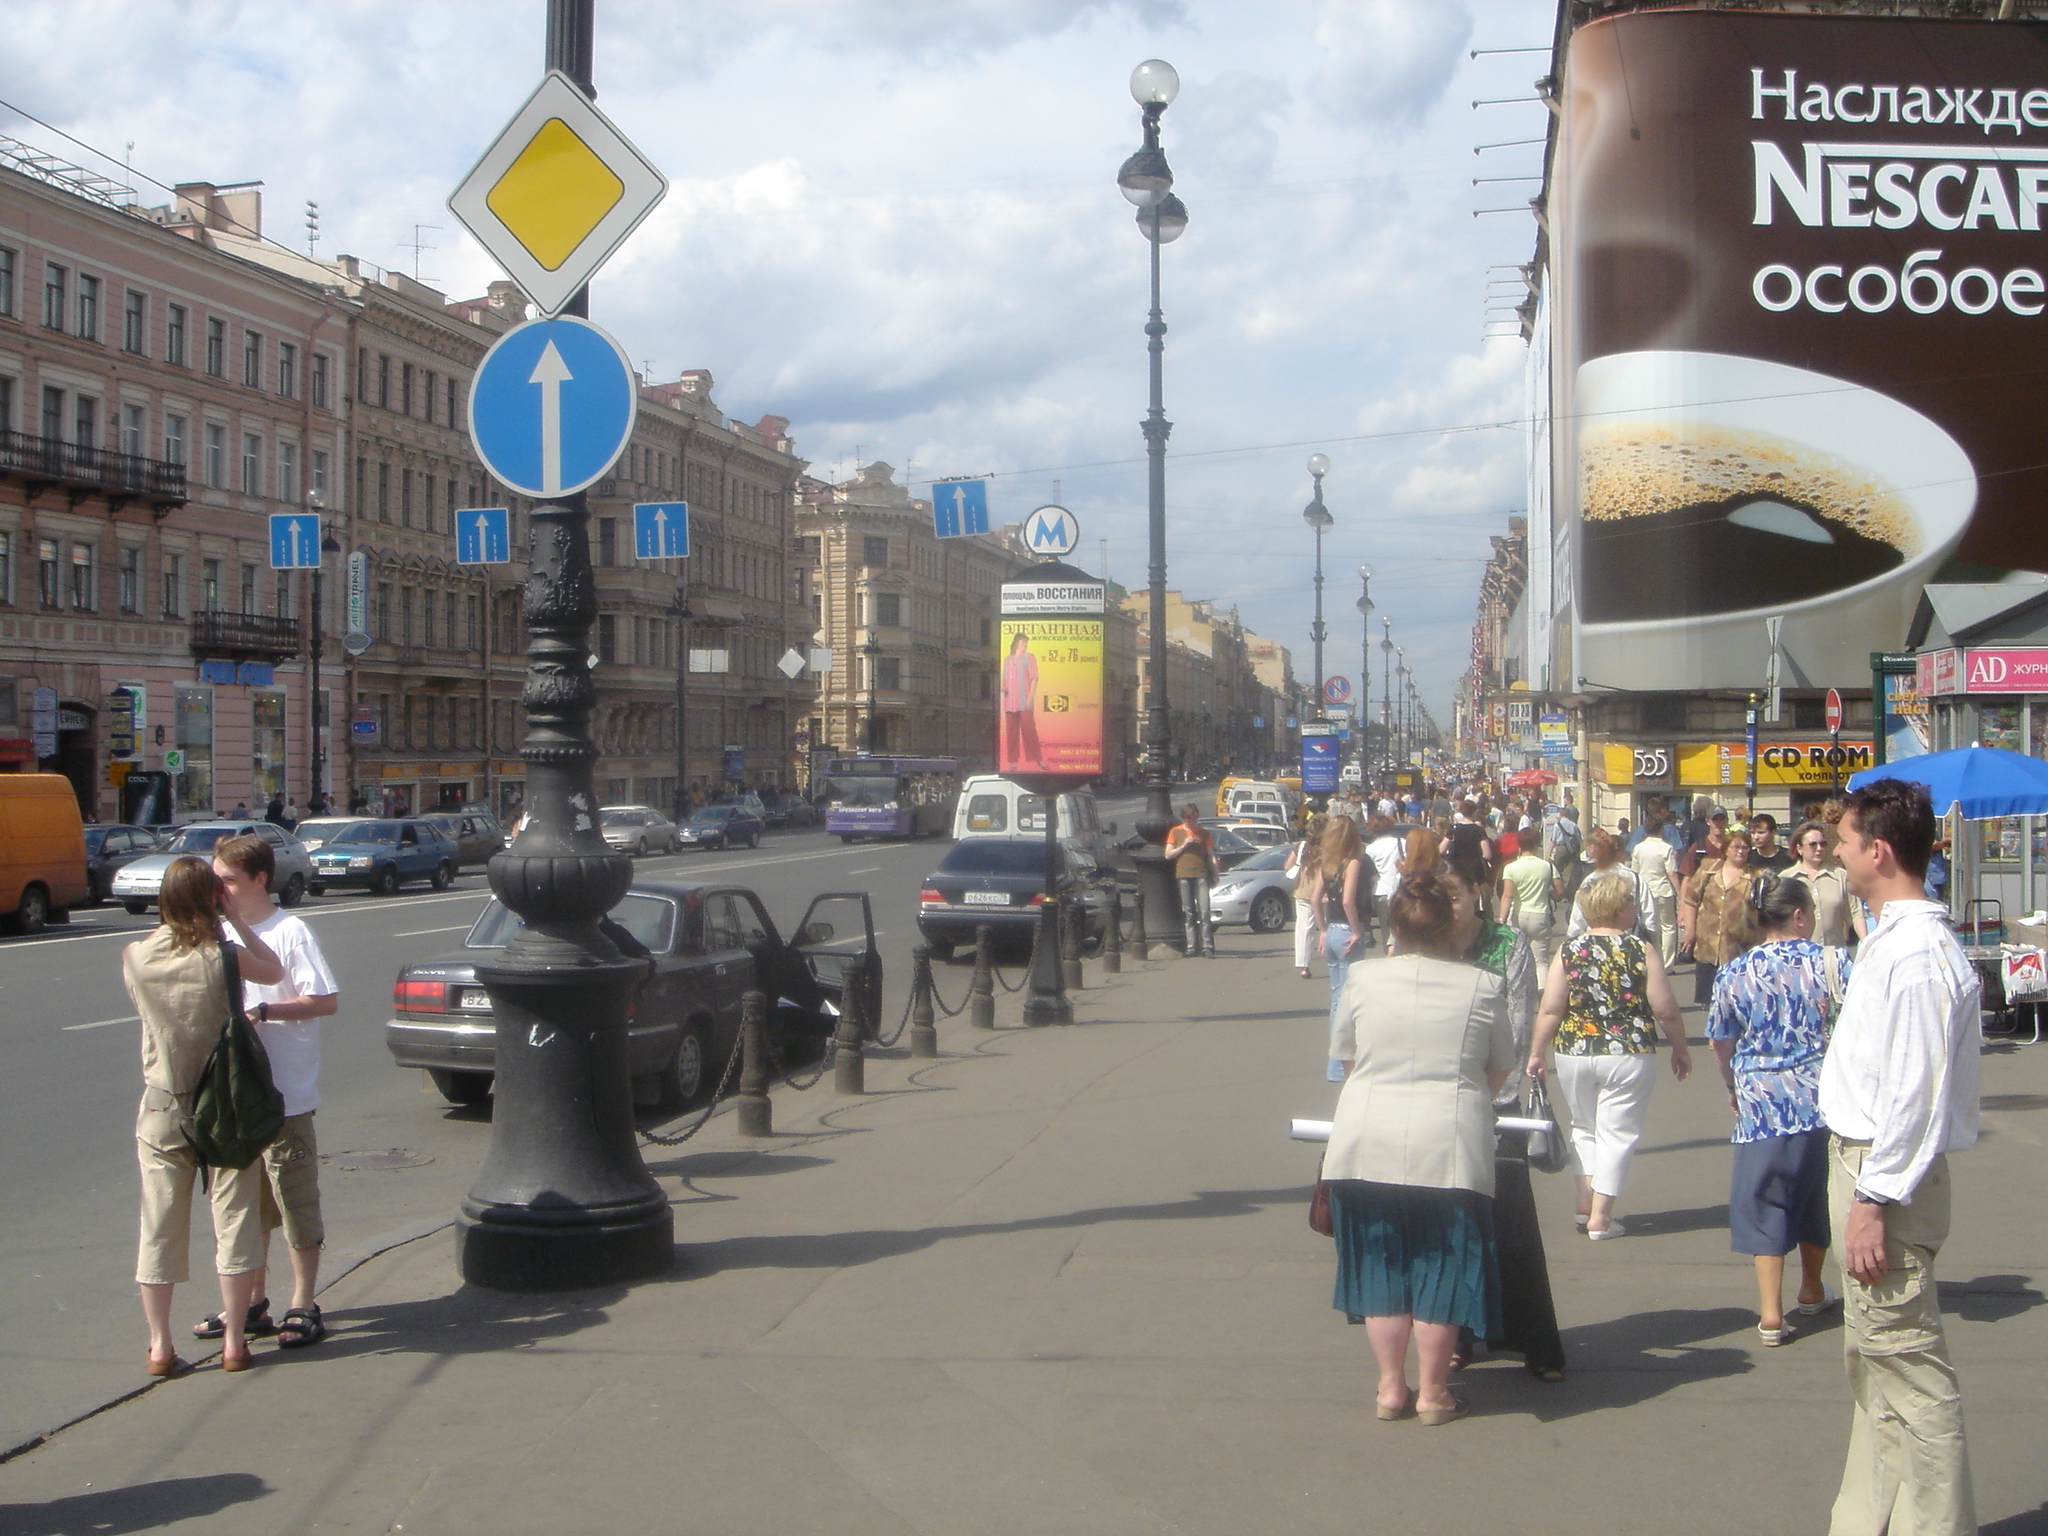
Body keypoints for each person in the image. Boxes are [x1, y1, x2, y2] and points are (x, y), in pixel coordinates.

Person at [1820, 779, 1981, 1535]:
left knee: (1908, 1366)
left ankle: (1936, 1524)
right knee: (1877, 1361)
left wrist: (1872, 1200)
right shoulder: (1893, 936)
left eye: (1846, 842)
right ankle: (1868, 1519)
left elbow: (1915, 1096)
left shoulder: (1917, 955)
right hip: (1868, 1164)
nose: (1837, 853)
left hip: (1883, 1173)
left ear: (1878, 852)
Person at [1325, 869, 1517, 1425]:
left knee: (1381, 1263)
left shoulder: (1362, 978)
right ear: (1448, 926)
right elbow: (1498, 1069)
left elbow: (1346, 1057)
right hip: (1449, 1139)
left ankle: (1391, 1387)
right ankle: (1434, 1392)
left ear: (1395, 926)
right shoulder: (1482, 985)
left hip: (1368, 1137)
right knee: (1444, 1262)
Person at [122, 855, 288, 1377]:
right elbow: (275, 970)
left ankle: (159, 1345)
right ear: (211, 898)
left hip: (164, 1103)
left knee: (159, 1223)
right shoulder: (224, 956)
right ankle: (235, 1342)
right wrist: (234, 919)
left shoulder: (134, 956)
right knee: (235, 1218)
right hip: (227, 1103)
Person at [196, 834, 340, 1352]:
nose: (221, 890)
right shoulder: (217, 933)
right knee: (247, 1208)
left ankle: (304, 1301)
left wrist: (264, 1011)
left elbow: (324, 1000)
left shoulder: (289, 931)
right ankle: (252, 1303)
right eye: (215, 881)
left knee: (295, 1202)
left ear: (260, 879)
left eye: (229, 880)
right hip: (238, 1095)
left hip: (285, 1095)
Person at [1440, 856, 1564, 1382]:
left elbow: (1518, 1018)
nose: (1449, 906)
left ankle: (1535, 1341)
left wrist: (1495, 1091)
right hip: (1442, 1100)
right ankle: (1459, 1335)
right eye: (1440, 897)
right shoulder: (1428, 942)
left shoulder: (1506, 943)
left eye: (1455, 895)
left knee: (1511, 1224)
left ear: (1477, 891)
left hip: (1496, 1098)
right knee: (1453, 1225)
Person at [1705, 874, 1839, 1346]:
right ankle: (1812, 1287)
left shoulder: (1734, 972)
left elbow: (1721, 1041)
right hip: (1822, 1098)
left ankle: (1770, 1313)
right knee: (1815, 1194)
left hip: (1761, 1102)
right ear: (1799, 916)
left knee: (1765, 1201)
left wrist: (1732, 1085)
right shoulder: (1832, 963)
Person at [1527, 872, 1693, 1239]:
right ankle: (1600, 1216)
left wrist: (1537, 1052)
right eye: (1630, 901)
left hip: (1574, 1050)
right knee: (1618, 1133)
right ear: (1618, 908)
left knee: (1583, 1126)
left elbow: (1551, 1008)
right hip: (1628, 1051)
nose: (1634, 906)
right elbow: (1665, 1008)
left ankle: (1584, 1201)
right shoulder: (1640, 949)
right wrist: (1680, 1049)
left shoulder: (1569, 950)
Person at [1307, 815, 1370, 1080]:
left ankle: (1335, 1066)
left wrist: (1322, 930)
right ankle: (1344, 1065)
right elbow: (1348, 901)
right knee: (1349, 1002)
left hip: (1332, 930)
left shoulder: (1328, 863)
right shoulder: (1352, 862)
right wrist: (1357, 930)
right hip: (1347, 932)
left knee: (1336, 1001)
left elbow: (1314, 899)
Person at [1681, 826, 1759, 1005]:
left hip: (1739, 950)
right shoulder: (1708, 869)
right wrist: (1690, 931)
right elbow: (1691, 899)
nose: (1740, 851)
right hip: (1708, 948)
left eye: (1745, 848)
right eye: (1736, 847)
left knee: (1737, 1002)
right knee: (1710, 1003)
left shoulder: (1756, 876)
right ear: (1726, 849)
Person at [1785, 820, 1866, 948]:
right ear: (1799, 848)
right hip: (1800, 953)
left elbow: (1855, 913)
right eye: (1813, 844)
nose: (1819, 849)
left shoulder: (1840, 876)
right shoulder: (1787, 879)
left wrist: (1866, 943)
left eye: (1822, 844)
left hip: (1833, 952)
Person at [1498, 836, 1561, 970]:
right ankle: (1541, 983)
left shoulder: (1510, 868)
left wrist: (1501, 919)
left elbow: (1508, 896)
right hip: (1540, 915)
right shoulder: (1548, 866)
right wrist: (1550, 895)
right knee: (1540, 961)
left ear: (1519, 846)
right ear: (1536, 845)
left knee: (1515, 959)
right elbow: (1560, 890)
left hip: (1517, 914)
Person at [1630, 811, 1683, 967]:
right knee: (1668, 927)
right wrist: (1680, 894)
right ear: (1661, 829)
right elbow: (1672, 873)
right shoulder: (1666, 848)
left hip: (1644, 892)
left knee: (1648, 926)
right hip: (1663, 891)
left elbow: (1635, 873)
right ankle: (1667, 964)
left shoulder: (1638, 849)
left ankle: (1649, 960)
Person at [1163, 804, 1217, 958]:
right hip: (1184, 875)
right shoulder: (1176, 832)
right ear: (1183, 818)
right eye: (1188, 818)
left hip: (1201, 874)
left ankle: (1207, 946)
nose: (1191, 821)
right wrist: (1184, 845)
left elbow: (1211, 855)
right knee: (1189, 913)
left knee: (1204, 912)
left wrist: (1215, 873)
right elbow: (1168, 854)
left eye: (1194, 817)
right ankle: (1191, 946)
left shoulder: (1203, 833)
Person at [1000, 631, 1042, 770]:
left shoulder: (1029, 657)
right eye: (1023, 642)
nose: (1025, 644)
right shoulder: (1007, 660)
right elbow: (1004, 680)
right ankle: (1013, 760)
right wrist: (1003, 690)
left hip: (1024, 700)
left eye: (1026, 642)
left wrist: (1030, 697)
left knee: (1029, 729)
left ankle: (1038, 758)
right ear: (1016, 642)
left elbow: (1034, 678)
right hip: (1009, 701)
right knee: (1011, 733)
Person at [1364, 814, 1404, 956]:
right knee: (1402, 927)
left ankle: (1388, 956)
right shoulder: (1401, 842)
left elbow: (1369, 873)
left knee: (1386, 929)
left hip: (1380, 891)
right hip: (1400, 890)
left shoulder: (1370, 849)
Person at [1284, 825, 1318, 979]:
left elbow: (1287, 866)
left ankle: (1304, 966)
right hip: (1325, 891)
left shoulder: (1301, 846)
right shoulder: (1329, 845)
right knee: (1331, 926)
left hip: (1304, 890)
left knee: (1304, 928)